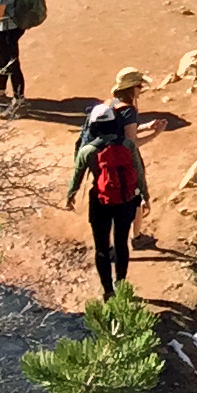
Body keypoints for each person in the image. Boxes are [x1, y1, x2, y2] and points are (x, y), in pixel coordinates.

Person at [67, 68, 151, 299]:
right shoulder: (126, 145)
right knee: (122, 244)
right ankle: (122, 285)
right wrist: (144, 195)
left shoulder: (88, 150)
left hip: (100, 199)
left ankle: (108, 292)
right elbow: (139, 172)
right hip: (125, 198)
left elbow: (76, 175)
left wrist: (70, 196)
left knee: (102, 248)